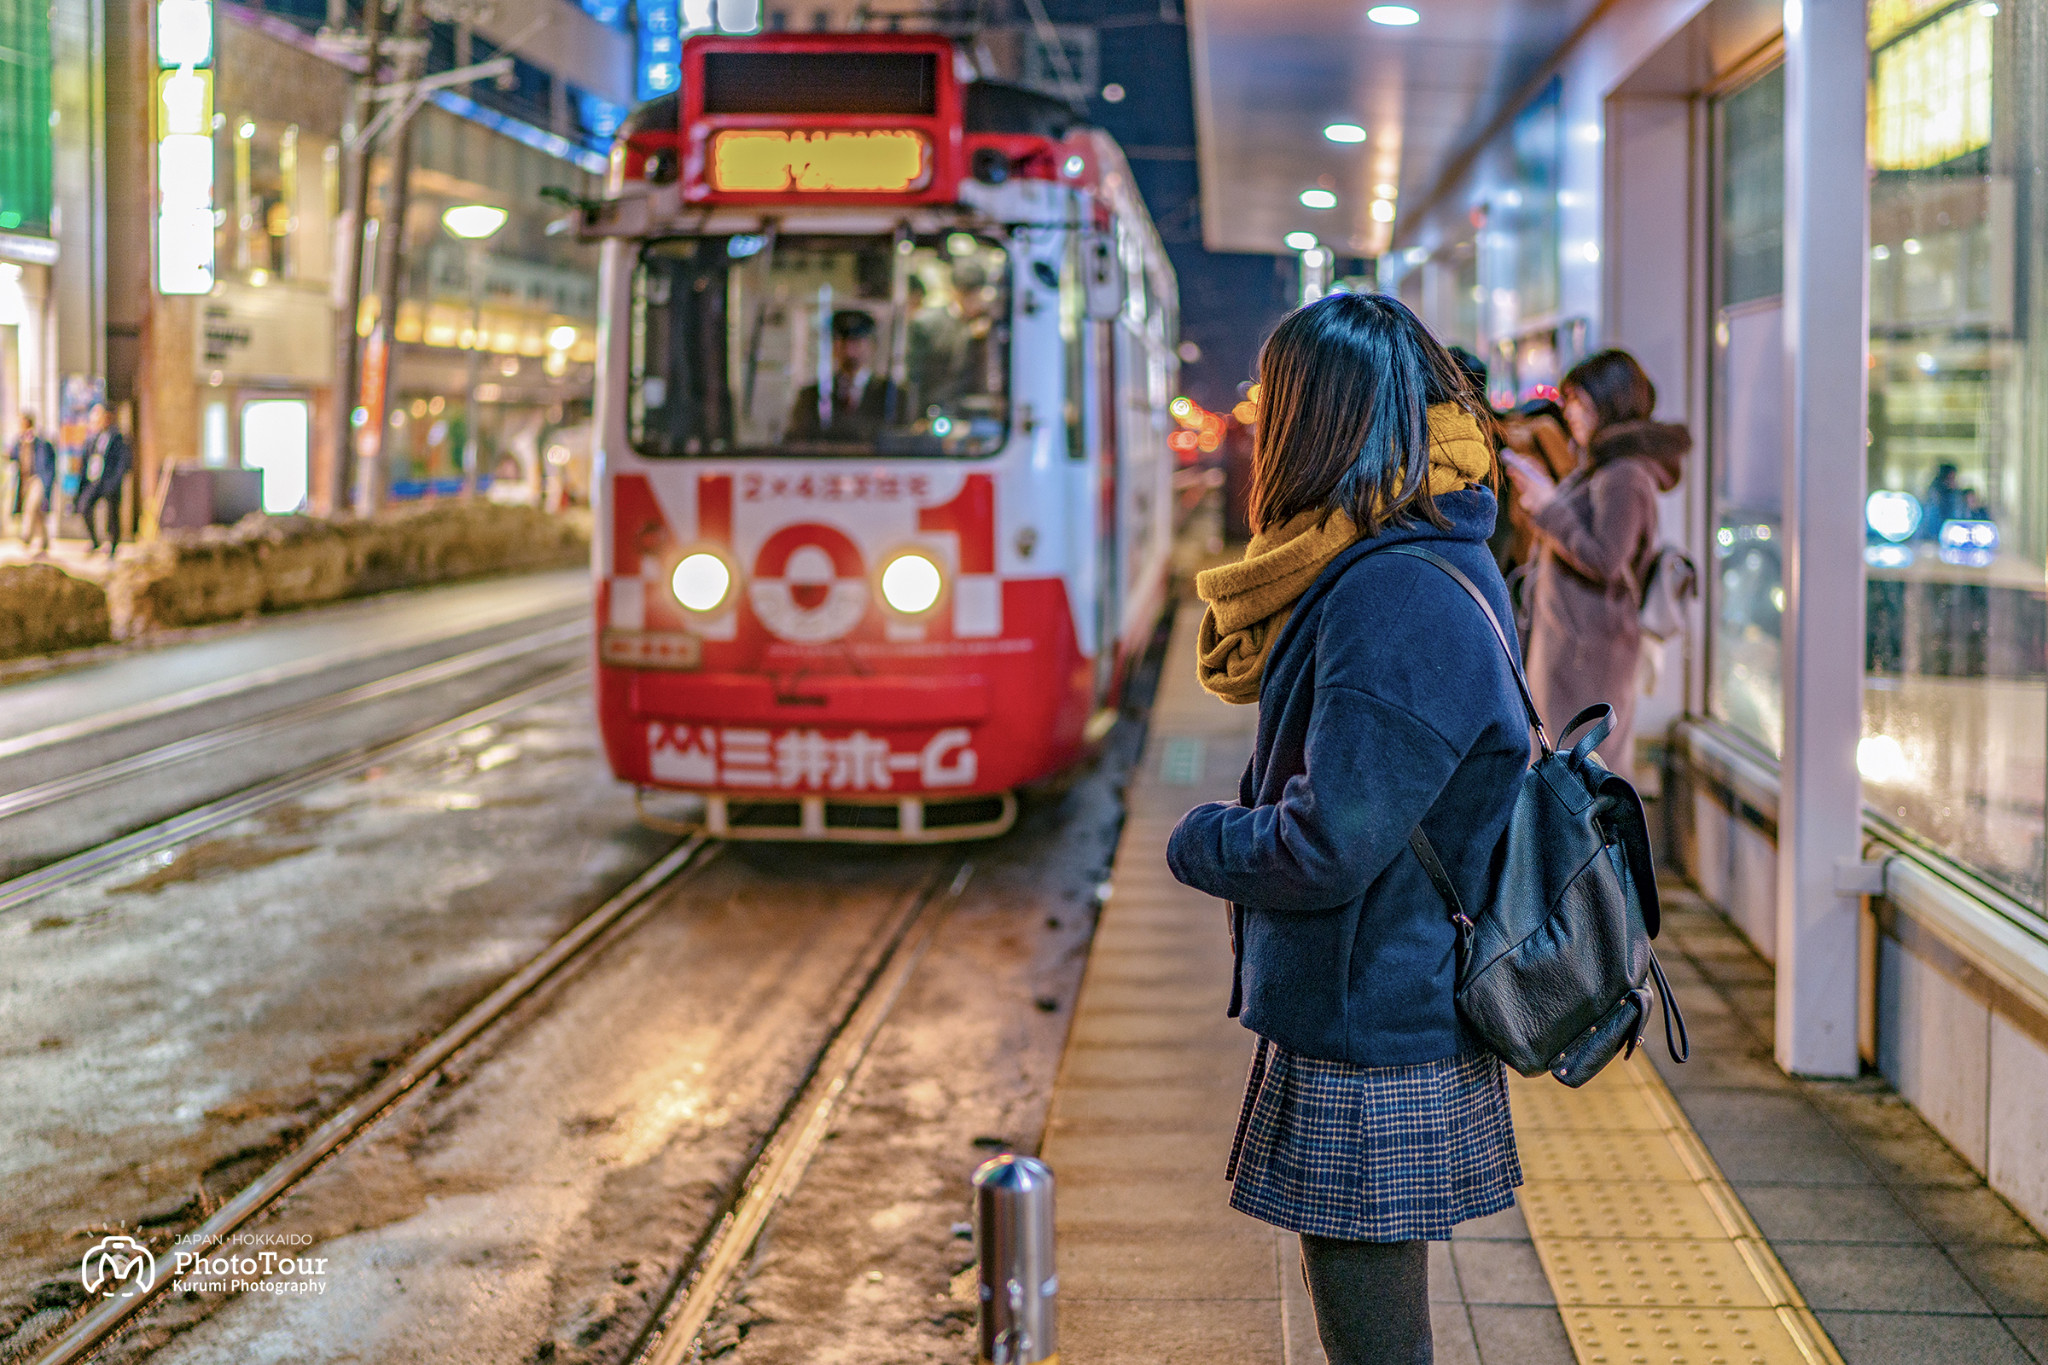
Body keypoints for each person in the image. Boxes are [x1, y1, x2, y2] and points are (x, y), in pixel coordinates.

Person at [1165, 291, 1527, 1365]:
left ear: (1313, 423)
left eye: (1272, 405)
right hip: (1379, 996)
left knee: (1376, 1345)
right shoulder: (1420, 550)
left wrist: (1198, 839)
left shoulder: (1389, 595)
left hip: (1377, 1021)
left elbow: (1327, 845)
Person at [1501, 349, 1689, 776]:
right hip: (1576, 651)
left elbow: (1606, 558)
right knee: (1562, 785)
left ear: (1607, 404)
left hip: (1590, 659)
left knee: (1581, 788)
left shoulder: (1624, 474)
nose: (1570, 412)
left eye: (1579, 402)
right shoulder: (1602, 467)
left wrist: (1548, 503)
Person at [787, 310, 890, 441]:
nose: (849, 350)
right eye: (843, 342)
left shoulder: (890, 395)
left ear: (872, 346)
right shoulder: (811, 396)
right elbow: (796, 440)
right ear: (834, 347)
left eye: (857, 342)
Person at [77, 404, 132, 557]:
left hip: (109, 480)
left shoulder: (117, 438)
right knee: (84, 507)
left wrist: (115, 480)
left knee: (112, 514)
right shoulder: (92, 439)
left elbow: (123, 461)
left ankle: (114, 545)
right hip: (93, 480)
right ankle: (95, 541)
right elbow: (86, 460)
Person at [11, 413, 55, 555]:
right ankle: (45, 541)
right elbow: (13, 456)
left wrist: (48, 480)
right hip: (24, 480)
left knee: (30, 506)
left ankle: (26, 536)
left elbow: (49, 461)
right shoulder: (19, 442)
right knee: (37, 512)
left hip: (38, 478)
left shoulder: (40, 442)